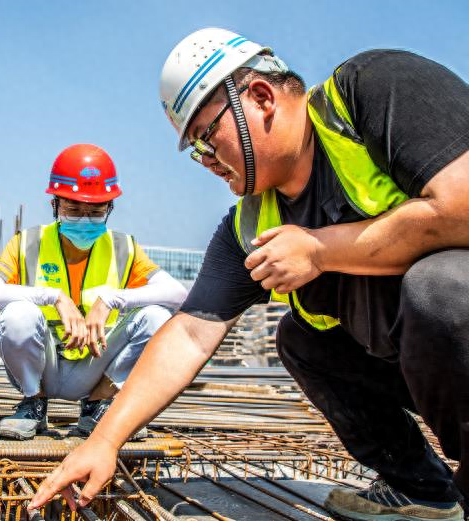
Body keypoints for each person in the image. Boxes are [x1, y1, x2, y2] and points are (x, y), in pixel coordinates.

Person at [31, 28, 469, 521]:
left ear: (260, 98)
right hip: (424, 366)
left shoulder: (371, 90)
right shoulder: (251, 224)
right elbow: (191, 333)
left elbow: (462, 205)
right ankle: (422, 491)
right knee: (302, 340)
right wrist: (105, 441)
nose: (206, 162)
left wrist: (320, 250)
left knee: (442, 288)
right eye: (196, 151)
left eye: (206, 139)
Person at [0, 144, 187, 440]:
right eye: (73, 210)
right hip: (44, 365)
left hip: (95, 366)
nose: (85, 220)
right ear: (55, 204)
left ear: (109, 208)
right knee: (17, 313)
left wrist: (111, 299)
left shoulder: (123, 247)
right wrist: (53, 297)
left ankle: (98, 405)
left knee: (157, 317)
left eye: (96, 212)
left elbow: (176, 294)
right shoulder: (28, 243)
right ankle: (33, 404)